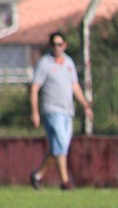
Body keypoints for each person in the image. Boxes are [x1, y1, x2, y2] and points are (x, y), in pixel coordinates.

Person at [29, 31, 93, 191]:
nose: (57, 47)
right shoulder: (44, 63)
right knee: (61, 144)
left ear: (64, 45)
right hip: (51, 110)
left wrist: (85, 105)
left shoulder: (69, 63)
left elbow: (75, 86)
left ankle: (37, 176)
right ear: (50, 45)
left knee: (59, 147)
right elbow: (35, 88)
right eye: (54, 44)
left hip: (67, 111)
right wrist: (35, 112)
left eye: (60, 44)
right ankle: (65, 182)